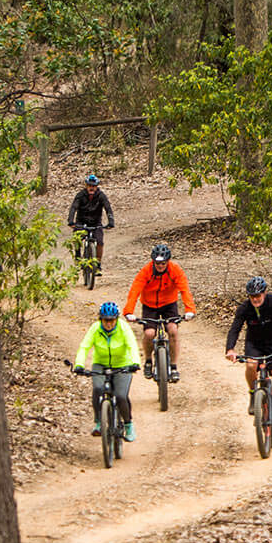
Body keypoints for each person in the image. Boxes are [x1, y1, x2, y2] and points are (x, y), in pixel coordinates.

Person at [225, 276, 272, 438]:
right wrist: (230, 349)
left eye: (258, 296)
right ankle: (253, 394)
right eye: (252, 296)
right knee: (251, 365)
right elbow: (235, 328)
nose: (255, 299)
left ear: (264, 293)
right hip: (255, 344)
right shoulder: (244, 308)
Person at [123, 242, 197, 381]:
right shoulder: (146, 271)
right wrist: (128, 311)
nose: (160, 266)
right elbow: (135, 291)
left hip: (169, 304)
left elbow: (184, 290)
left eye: (163, 263)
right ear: (153, 262)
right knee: (149, 333)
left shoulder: (175, 270)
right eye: (157, 264)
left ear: (167, 262)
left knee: (173, 330)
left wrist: (190, 310)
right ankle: (148, 361)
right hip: (150, 305)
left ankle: (173, 366)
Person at [74, 300, 141, 442]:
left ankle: (128, 425)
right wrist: (79, 365)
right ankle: (99, 422)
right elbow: (84, 347)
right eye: (106, 320)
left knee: (121, 395)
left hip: (123, 365)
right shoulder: (95, 328)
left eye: (112, 320)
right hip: (101, 364)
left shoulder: (123, 328)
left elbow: (132, 346)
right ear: (101, 319)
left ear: (117, 319)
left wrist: (135, 363)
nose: (109, 323)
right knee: (98, 388)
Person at [66, 174, 117, 275]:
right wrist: (71, 221)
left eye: (94, 186)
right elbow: (73, 208)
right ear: (86, 186)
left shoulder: (101, 196)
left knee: (100, 242)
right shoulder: (80, 195)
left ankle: (97, 265)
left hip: (96, 222)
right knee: (77, 238)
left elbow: (108, 208)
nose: (91, 188)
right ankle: (77, 257)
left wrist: (111, 221)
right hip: (81, 222)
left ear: (97, 186)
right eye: (89, 185)